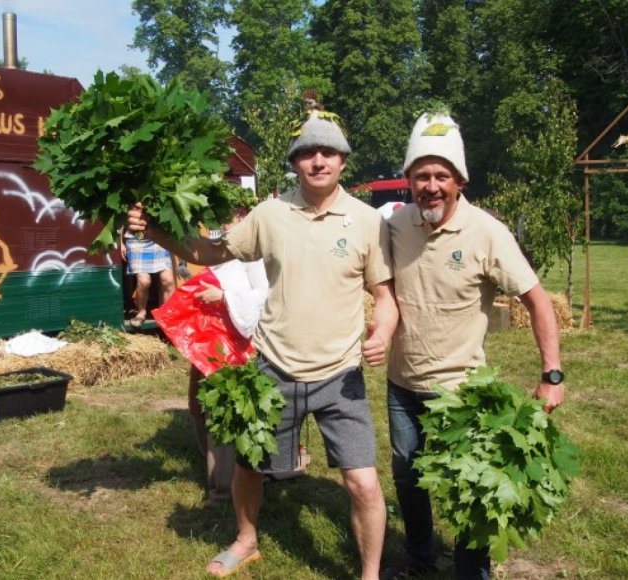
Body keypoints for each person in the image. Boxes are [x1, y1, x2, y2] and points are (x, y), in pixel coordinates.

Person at [128, 109, 398, 579]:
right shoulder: (271, 214)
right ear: (295, 162)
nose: (318, 161)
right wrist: (154, 231)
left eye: (328, 152)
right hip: (274, 367)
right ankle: (246, 539)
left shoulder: (367, 221)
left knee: (363, 483)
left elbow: (384, 295)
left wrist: (384, 331)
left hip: (342, 375)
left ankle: (370, 573)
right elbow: (212, 252)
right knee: (250, 468)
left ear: (343, 161)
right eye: (308, 153)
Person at [382, 112, 566, 580]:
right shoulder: (395, 226)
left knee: (468, 489)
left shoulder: (486, 232)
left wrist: (552, 374)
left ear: (460, 180)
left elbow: (536, 299)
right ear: (408, 178)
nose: (431, 186)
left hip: (461, 393)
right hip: (402, 385)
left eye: (442, 175)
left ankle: (471, 573)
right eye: (421, 175)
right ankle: (420, 559)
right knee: (408, 477)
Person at [184, 206, 269, 505]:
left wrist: (224, 298)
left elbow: (264, 293)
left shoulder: (255, 253)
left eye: (236, 216)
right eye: (227, 215)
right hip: (209, 337)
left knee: (223, 411)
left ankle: (221, 489)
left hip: (235, 341)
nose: (228, 221)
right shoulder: (222, 248)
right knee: (197, 406)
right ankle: (221, 473)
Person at [120, 231, 175, 327]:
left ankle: (168, 315)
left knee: (168, 281)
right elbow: (119, 221)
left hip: (159, 239)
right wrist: (120, 243)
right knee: (144, 281)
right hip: (137, 239)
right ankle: (141, 312)